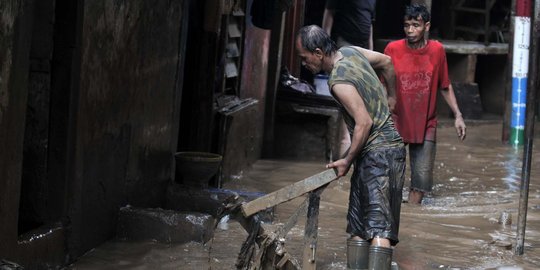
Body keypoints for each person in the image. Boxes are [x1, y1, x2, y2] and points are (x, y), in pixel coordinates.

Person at [295, 25, 405, 270]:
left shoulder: (338, 81)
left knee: (378, 227)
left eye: (304, 58)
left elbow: (364, 122)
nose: (304, 64)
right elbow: (387, 62)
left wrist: (345, 160)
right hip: (377, 153)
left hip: (381, 154)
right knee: (357, 224)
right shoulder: (351, 52)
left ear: (318, 52)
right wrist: (392, 97)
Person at [384, 4, 466, 205]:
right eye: (406, 25)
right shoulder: (392, 49)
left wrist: (458, 115)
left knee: (420, 182)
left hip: (426, 122)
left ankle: (412, 217)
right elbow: (381, 84)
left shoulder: (437, 51)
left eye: (415, 25)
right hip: (396, 119)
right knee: (389, 176)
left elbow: (444, 86)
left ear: (426, 26)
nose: (410, 30)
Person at [322, 0, 377, 159]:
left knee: (353, 107)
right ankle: (339, 160)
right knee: (346, 107)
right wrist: (326, 49)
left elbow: (369, 26)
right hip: (344, 46)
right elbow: (329, 15)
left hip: (362, 51)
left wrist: (370, 53)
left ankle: (343, 159)